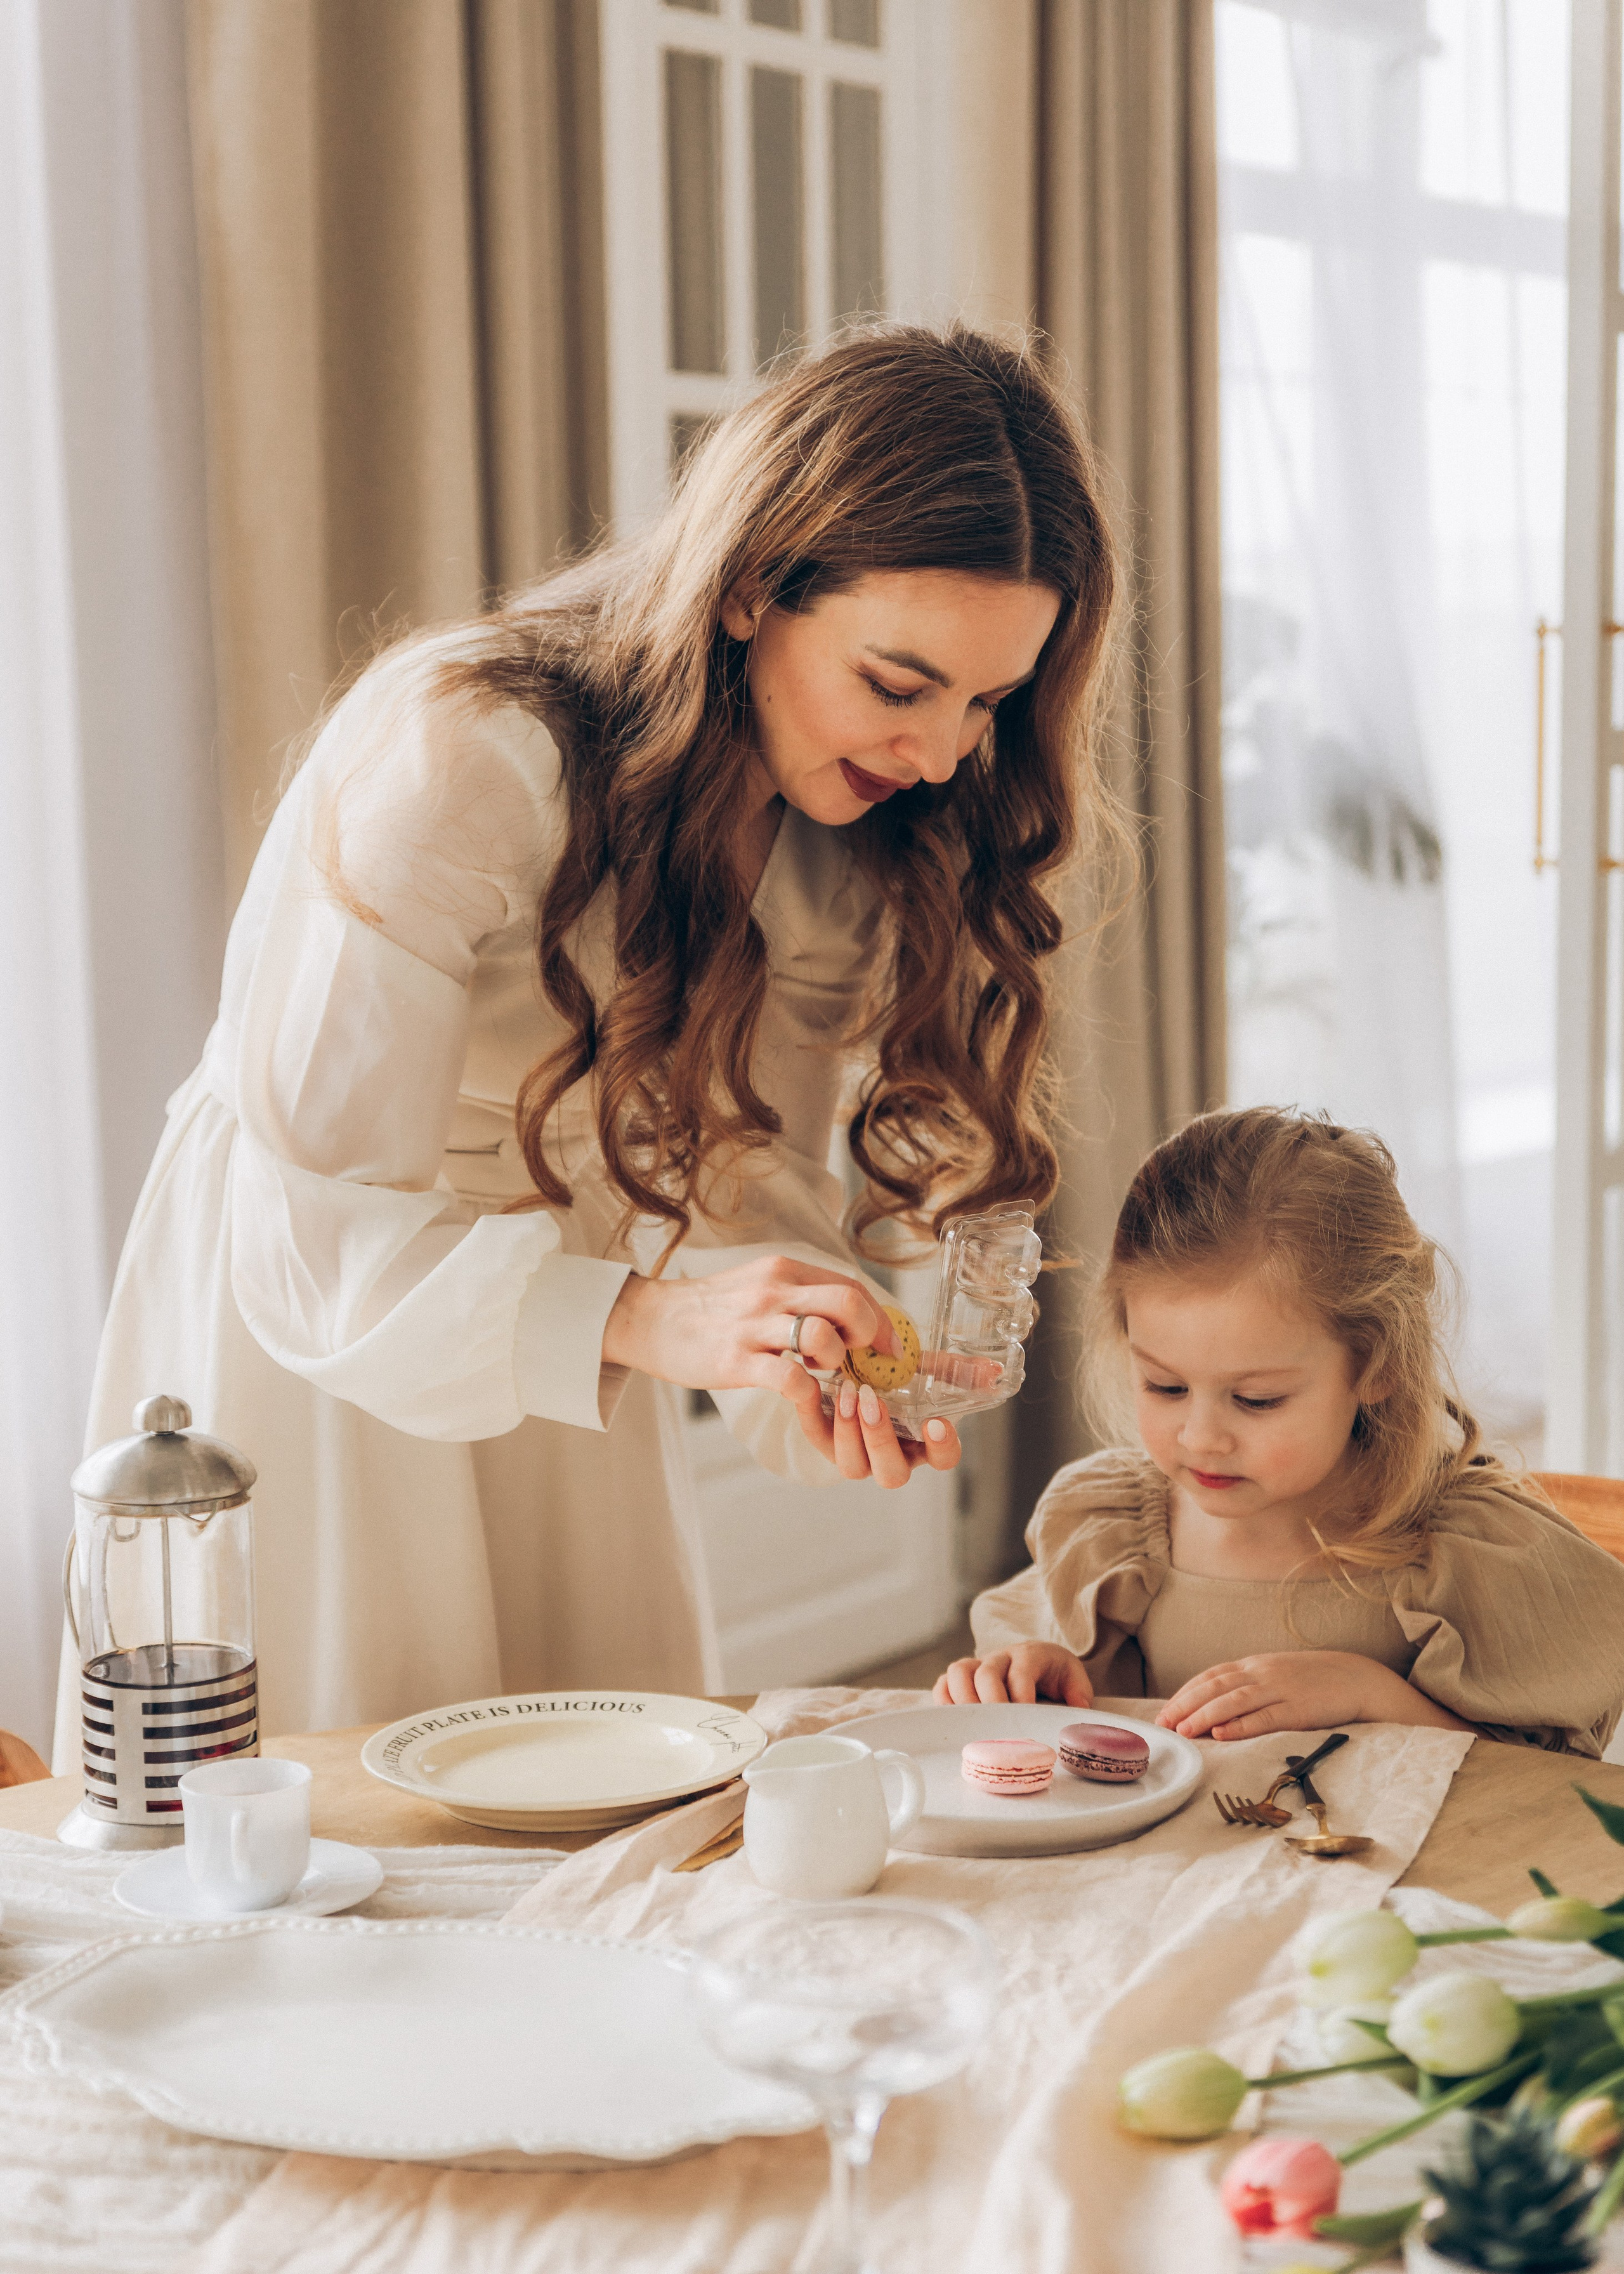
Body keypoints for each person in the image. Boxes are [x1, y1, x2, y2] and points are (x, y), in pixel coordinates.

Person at [62, 325, 1121, 1758]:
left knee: (599, 1792)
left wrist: (798, 1364)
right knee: (349, 1819)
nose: (939, 755)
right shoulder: (466, 753)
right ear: (753, 587)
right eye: (897, 682)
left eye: (986, 703)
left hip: (563, 1338)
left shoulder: (842, 839)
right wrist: (647, 1316)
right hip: (329, 1339)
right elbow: (308, 1231)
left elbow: (745, 1174)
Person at [938, 1108, 1624, 1756]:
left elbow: (1540, 1780)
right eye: (1165, 1386)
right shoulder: (1112, 1528)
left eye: (1256, 1399)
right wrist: (1037, 1672)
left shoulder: (1458, 1549)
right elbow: (1086, 1707)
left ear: (1375, 1366)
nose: (1202, 1437)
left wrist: (1367, 1692)